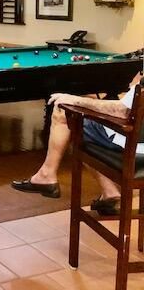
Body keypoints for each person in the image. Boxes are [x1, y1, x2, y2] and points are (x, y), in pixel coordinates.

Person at [11, 71, 143, 215]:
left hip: (133, 145)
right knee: (79, 123)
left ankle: (46, 175)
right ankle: (109, 194)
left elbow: (122, 111)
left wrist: (75, 100)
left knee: (67, 115)